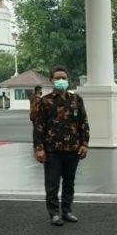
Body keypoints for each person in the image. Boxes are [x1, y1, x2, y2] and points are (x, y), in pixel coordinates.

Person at [33, 67, 90, 226]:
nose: (61, 80)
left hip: (73, 149)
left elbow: (83, 122)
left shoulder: (76, 99)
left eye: (63, 77)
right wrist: (39, 148)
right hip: (52, 150)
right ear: (51, 80)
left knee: (69, 182)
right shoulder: (45, 101)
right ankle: (54, 214)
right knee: (52, 184)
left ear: (68, 79)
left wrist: (85, 143)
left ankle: (67, 211)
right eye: (57, 77)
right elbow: (39, 126)